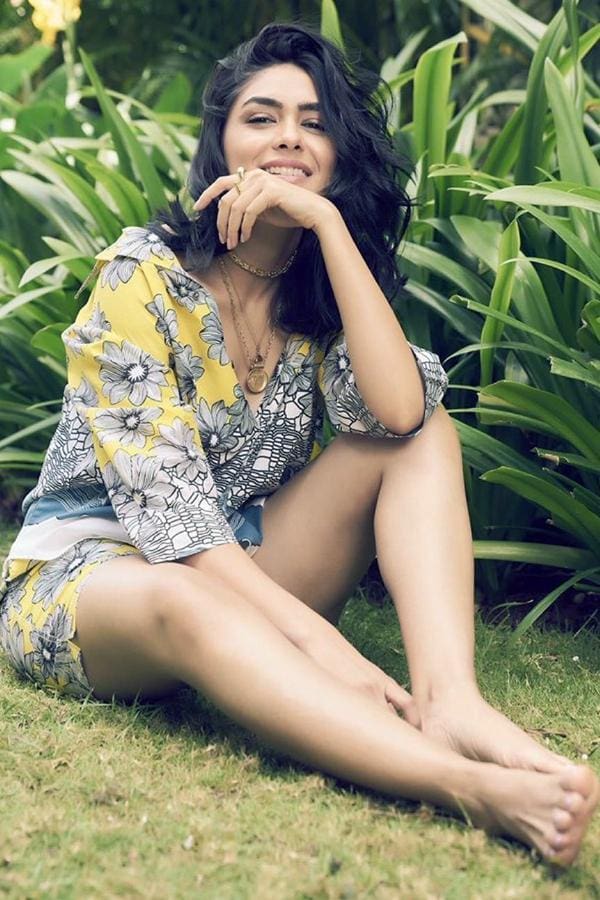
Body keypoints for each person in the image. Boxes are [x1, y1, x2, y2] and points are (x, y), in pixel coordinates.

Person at [0, 22, 596, 865]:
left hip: (240, 566)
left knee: (423, 431)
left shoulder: (315, 287)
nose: (287, 137)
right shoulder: (142, 278)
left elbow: (400, 414)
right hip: (97, 582)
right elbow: (181, 536)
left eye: (314, 123)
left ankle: (452, 700)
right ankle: (463, 785)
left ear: (337, 153)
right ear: (221, 145)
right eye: (261, 117)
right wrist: (326, 648)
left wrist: (327, 226)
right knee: (184, 594)